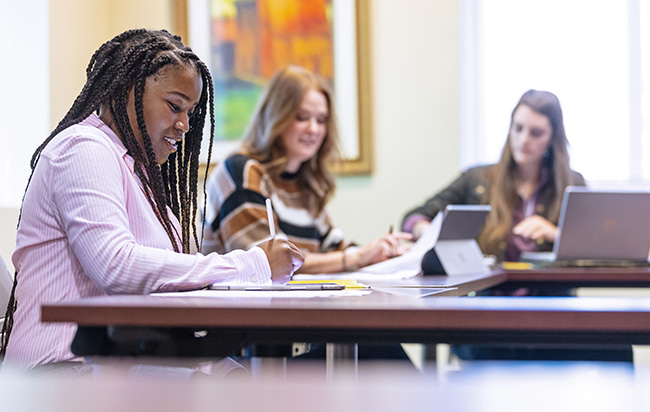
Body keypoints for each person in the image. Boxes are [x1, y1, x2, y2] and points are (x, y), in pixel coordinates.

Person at [0, 29, 303, 373]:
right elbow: (116, 265)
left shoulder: (136, 173)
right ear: (127, 88)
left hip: (116, 363)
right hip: (61, 371)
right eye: (175, 106)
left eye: (190, 112)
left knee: (239, 379)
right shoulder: (83, 148)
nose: (185, 124)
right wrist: (252, 264)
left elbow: (164, 281)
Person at [203, 66, 409, 274]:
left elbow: (333, 245)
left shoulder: (305, 182)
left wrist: (377, 253)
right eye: (302, 117)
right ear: (275, 116)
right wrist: (358, 257)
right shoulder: (242, 172)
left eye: (321, 120)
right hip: (237, 305)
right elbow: (274, 262)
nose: (314, 129)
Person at [402, 89, 586, 262]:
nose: (524, 140)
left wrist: (556, 235)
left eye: (536, 133)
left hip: (552, 292)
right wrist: (426, 232)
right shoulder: (478, 180)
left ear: (553, 138)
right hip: (491, 292)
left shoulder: (572, 184)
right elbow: (414, 217)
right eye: (518, 128)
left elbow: (592, 248)